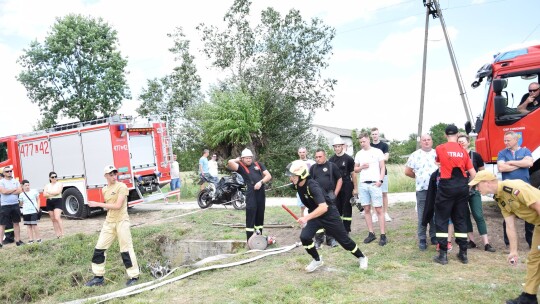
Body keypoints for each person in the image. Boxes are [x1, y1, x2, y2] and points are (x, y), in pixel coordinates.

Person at [468, 171, 540, 304]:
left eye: (477, 185)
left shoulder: (514, 188)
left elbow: (538, 205)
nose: (476, 189)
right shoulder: (500, 198)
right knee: (534, 259)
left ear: (487, 183)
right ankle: (529, 297)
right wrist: (514, 251)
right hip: (538, 224)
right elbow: (510, 225)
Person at [285, 160, 368, 272]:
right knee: (305, 237)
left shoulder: (312, 186)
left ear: (302, 175)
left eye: (293, 176)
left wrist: (305, 218)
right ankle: (317, 260)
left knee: (344, 241)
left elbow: (323, 207)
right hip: (315, 214)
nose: (290, 178)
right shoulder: (297, 185)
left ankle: (362, 257)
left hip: (329, 214)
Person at [85, 165, 140, 287]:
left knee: (126, 249)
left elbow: (118, 206)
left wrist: (96, 204)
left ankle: (134, 276)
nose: (114, 176)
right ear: (105, 176)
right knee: (99, 249)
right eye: (110, 174)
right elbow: (109, 206)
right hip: (109, 223)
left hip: (122, 222)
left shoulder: (122, 186)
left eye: (115, 173)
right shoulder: (104, 189)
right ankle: (98, 277)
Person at [432, 124, 476, 265]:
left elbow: (438, 163)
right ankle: (463, 254)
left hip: (446, 187)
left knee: (442, 219)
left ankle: (443, 255)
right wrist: (467, 187)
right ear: (457, 135)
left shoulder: (440, 148)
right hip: (461, 188)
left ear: (446, 135)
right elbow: (473, 174)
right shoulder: (463, 151)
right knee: (461, 219)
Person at [457, 134, 495, 252]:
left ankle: (486, 243)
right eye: (459, 142)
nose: (461, 143)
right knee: (465, 216)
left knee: (478, 215)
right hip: (460, 191)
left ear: (468, 142)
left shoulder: (476, 156)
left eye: (463, 141)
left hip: (474, 190)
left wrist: (476, 184)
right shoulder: (455, 156)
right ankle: (471, 241)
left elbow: (482, 173)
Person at [498, 131, 534, 248]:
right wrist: (521, 164)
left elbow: (529, 162)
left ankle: (531, 242)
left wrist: (512, 162)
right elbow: (501, 167)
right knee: (509, 215)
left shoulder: (525, 151)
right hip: (508, 190)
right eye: (504, 140)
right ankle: (508, 243)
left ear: (515, 140)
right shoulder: (502, 153)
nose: (506, 142)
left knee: (529, 216)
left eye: (508, 140)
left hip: (525, 190)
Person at [227, 148, 272, 241]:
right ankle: (250, 240)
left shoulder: (259, 165)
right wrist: (237, 160)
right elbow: (230, 162)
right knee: (251, 215)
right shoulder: (241, 167)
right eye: (246, 158)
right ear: (242, 159)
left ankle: (259, 239)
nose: (248, 159)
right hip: (251, 194)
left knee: (260, 215)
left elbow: (268, 176)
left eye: (250, 158)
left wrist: (260, 182)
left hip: (261, 193)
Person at [404, 134, 438, 251]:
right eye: (424, 140)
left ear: (432, 141)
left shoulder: (437, 153)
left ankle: (434, 236)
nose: (426, 142)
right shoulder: (415, 155)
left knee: (435, 214)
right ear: (420, 143)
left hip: (436, 189)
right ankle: (422, 238)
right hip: (422, 189)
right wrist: (419, 177)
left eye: (428, 140)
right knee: (423, 214)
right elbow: (408, 171)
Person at [354, 133, 387, 246]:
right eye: (360, 142)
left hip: (374, 184)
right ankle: (371, 233)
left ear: (368, 140)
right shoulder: (359, 154)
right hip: (363, 184)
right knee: (366, 209)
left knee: (378, 209)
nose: (362, 144)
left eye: (364, 141)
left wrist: (380, 181)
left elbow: (382, 167)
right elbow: (355, 169)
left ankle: (383, 235)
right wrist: (361, 167)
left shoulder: (377, 152)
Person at [310, 148, 342, 248]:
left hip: (329, 196)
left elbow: (340, 179)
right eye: (316, 157)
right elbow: (309, 182)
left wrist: (335, 193)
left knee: (330, 218)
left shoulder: (332, 166)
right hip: (317, 198)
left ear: (325, 156)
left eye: (320, 156)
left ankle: (331, 239)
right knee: (317, 218)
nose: (318, 159)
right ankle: (318, 240)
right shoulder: (313, 168)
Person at [329, 137, 355, 234]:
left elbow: (353, 174)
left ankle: (346, 230)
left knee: (347, 207)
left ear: (342, 146)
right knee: (336, 207)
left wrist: (355, 188)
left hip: (347, 184)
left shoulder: (349, 159)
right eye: (335, 147)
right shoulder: (331, 160)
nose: (337, 148)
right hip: (335, 186)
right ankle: (339, 229)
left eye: (338, 146)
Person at [370, 127, 392, 222]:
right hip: (372, 173)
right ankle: (374, 213)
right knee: (373, 194)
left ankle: (385, 213)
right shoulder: (369, 145)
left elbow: (386, 158)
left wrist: (375, 158)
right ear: (371, 135)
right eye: (373, 134)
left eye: (376, 134)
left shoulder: (384, 145)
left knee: (384, 193)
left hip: (383, 173)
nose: (375, 135)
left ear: (378, 134)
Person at [0, 166, 23, 247]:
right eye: (7, 171)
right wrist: (14, 189)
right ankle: (0, 243)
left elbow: (20, 190)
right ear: (3, 173)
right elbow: (4, 192)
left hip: (15, 204)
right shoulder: (1, 182)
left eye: (10, 171)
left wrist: (8, 191)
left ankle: (18, 241)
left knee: (16, 223)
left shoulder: (15, 181)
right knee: (2, 224)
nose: (9, 172)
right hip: (5, 205)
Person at [18, 179, 41, 244]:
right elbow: (21, 204)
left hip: (33, 211)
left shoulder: (34, 191)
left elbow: (38, 199)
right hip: (26, 212)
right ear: (22, 186)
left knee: (34, 225)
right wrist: (20, 202)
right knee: (28, 225)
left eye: (28, 185)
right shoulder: (21, 194)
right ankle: (31, 240)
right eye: (26, 185)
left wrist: (38, 207)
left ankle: (38, 239)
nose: (27, 187)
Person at [43, 171, 64, 238]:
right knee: (53, 219)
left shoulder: (59, 184)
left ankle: (62, 233)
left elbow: (58, 192)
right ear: (50, 178)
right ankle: (57, 234)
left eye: (55, 176)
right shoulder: (47, 185)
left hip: (58, 201)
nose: (54, 178)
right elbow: (44, 195)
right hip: (49, 201)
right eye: (53, 177)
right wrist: (52, 193)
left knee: (57, 217)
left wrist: (49, 192)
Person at [296, 147, 315, 217]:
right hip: (301, 186)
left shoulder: (312, 162)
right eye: (300, 152)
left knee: (313, 204)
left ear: (306, 152)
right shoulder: (295, 163)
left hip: (311, 185)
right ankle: (303, 223)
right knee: (302, 206)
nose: (302, 154)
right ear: (298, 153)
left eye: (303, 152)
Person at [0, 172, 15, 245]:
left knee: (7, 222)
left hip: (5, 205)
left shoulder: (5, 184)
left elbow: (5, 192)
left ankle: (10, 238)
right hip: (3, 204)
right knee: (3, 222)